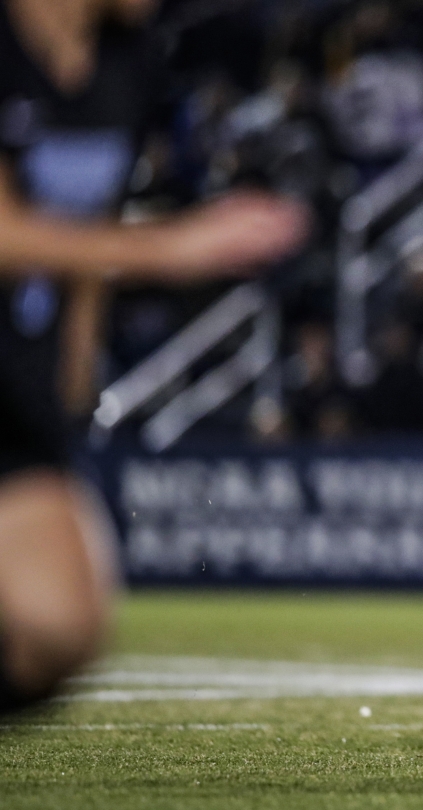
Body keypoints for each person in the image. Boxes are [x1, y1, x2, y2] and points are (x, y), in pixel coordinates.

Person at [0, 0, 308, 716]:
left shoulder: (126, 61)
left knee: (62, 623)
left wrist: (70, 371)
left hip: (14, 379)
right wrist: (171, 247)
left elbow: (88, 218)